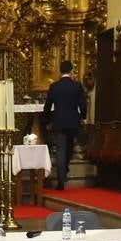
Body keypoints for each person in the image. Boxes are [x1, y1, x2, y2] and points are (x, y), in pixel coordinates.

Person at [42, 60, 89, 191]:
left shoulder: (54, 87)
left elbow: (47, 106)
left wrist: (47, 121)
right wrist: (83, 117)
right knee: (70, 148)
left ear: (60, 71)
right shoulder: (77, 86)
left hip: (59, 121)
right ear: (71, 71)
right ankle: (65, 168)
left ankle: (61, 181)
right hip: (73, 122)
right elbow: (83, 105)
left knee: (61, 150)